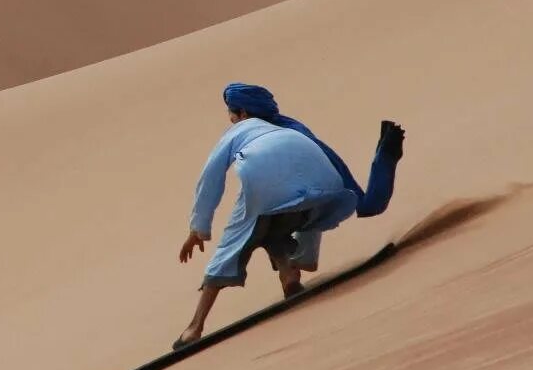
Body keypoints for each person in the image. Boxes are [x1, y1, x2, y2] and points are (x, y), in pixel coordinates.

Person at [173, 83, 404, 350]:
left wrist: (198, 229)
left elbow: (210, 178)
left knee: (233, 243)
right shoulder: (291, 128)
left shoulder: (238, 131)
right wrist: (307, 254)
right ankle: (289, 276)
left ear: (243, 113)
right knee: (275, 224)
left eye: (232, 115)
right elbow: (327, 166)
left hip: (264, 177)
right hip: (319, 185)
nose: (231, 120)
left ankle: (194, 327)